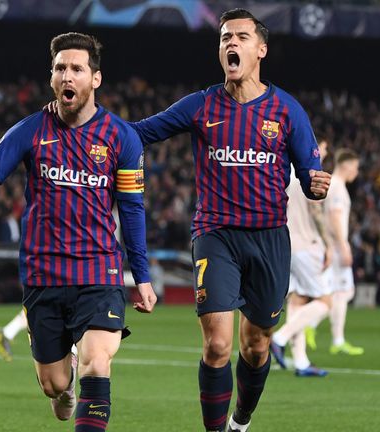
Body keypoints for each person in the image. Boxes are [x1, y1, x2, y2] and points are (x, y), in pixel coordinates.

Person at [0, 32, 157, 431]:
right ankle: (64, 380)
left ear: (96, 78)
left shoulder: (122, 138)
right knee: (54, 386)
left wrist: (141, 276)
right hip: (44, 275)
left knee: (97, 361)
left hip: (98, 271)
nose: (67, 76)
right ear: (51, 77)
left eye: (76, 69)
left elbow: (132, 210)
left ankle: (83, 377)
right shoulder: (31, 131)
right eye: (60, 69)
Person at [127, 9, 331, 431]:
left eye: (240, 37)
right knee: (217, 345)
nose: (230, 44)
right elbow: (139, 132)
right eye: (224, 38)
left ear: (261, 50)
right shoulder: (201, 105)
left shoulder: (287, 111)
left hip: (270, 239)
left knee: (256, 346)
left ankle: (241, 420)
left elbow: (310, 178)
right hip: (215, 234)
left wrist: (316, 185)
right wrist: (89, 125)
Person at [269, 139, 332, 377]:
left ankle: (302, 362)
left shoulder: (285, 169)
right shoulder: (312, 172)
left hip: (287, 243)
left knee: (297, 300)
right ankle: (279, 337)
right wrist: (329, 245)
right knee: (326, 302)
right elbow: (316, 211)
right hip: (306, 245)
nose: (323, 151)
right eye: (322, 146)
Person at [324, 148, 364, 355]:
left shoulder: (330, 184)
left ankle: (334, 337)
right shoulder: (338, 187)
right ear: (346, 166)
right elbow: (335, 217)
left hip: (328, 245)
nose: (356, 172)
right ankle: (331, 336)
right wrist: (343, 245)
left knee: (335, 293)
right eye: (355, 167)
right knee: (342, 292)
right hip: (336, 246)